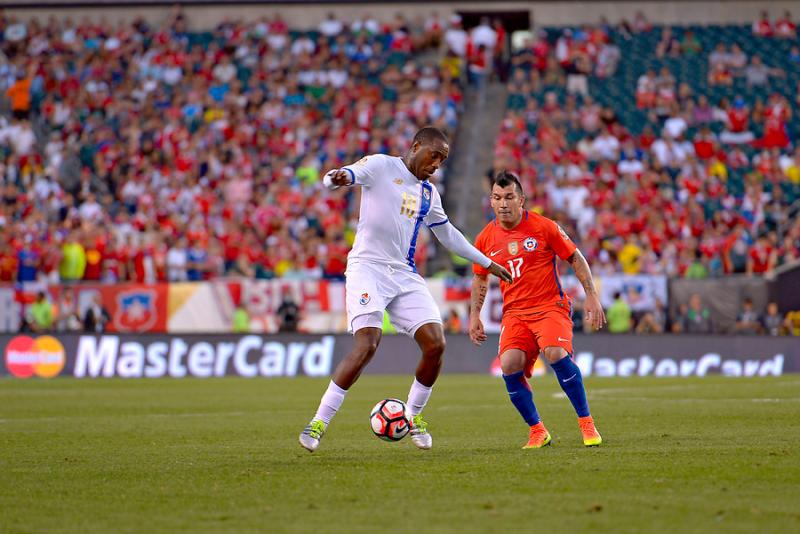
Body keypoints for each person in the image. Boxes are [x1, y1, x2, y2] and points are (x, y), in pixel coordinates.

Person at [299, 127, 512, 453]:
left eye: (442, 160)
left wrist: (488, 263)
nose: (437, 164)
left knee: (436, 343)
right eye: (434, 155)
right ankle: (318, 422)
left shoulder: (429, 193)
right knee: (367, 344)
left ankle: (412, 416)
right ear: (416, 147)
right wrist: (335, 178)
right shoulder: (382, 166)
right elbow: (344, 175)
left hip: (404, 273)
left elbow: (449, 235)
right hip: (367, 268)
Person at [469, 171, 606, 449]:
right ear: (491, 202)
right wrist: (474, 315)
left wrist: (591, 295)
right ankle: (537, 431)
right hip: (515, 314)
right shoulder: (485, 238)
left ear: (522, 200)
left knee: (555, 354)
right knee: (509, 365)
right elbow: (480, 277)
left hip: (549, 307)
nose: (503, 204)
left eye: (509, 197)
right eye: (497, 198)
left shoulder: (545, 227)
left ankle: (586, 423)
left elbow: (575, 258)